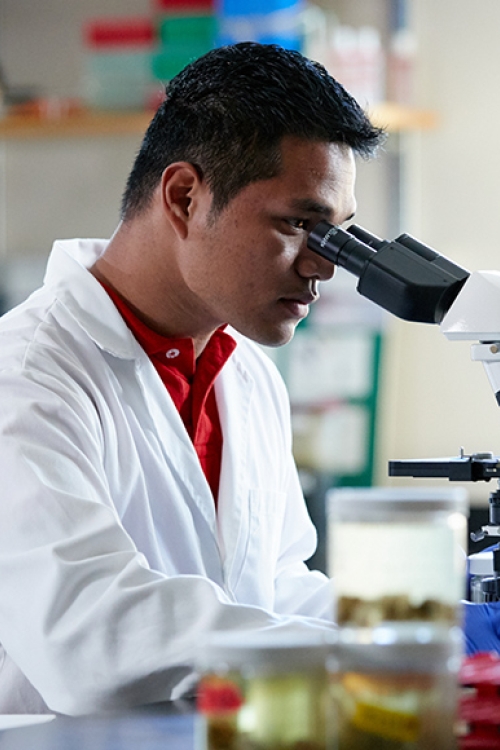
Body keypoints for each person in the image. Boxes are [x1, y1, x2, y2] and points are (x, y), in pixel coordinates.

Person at [0, 42, 384, 715]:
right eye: (299, 224)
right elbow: (91, 635)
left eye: (337, 237)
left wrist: (427, 626)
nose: (322, 266)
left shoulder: (248, 376)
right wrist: (375, 658)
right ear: (184, 196)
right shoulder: (27, 378)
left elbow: (271, 591)